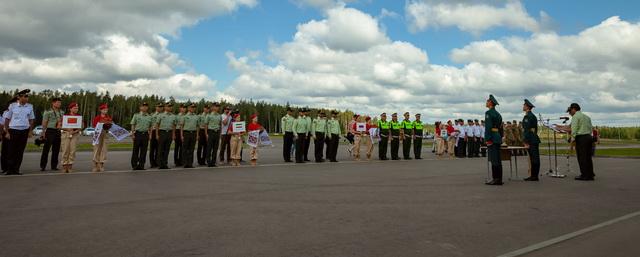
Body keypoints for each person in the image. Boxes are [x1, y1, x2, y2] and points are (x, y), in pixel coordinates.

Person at [3, 89, 35, 175]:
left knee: (20, 151)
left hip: (24, 131)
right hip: (13, 130)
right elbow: (7, 119)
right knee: (11, 151)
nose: (27, 98)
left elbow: (31, 120)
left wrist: (30, 131)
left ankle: (16, 169)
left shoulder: (30, 106)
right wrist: (7, 132)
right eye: (25, 96)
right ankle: (10, 169)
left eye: (27, 96)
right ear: (19, 97)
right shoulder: (12, 106)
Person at [562, 103, 595, 181]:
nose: (570, 113)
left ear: (574, 109)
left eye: (570, 111)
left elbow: (574, 130)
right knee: (588, 157)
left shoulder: (575, 117)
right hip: (588, 137)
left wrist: (572, 139)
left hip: (581, 138)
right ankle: (590, 174)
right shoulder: (587, 117)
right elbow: (591, 128)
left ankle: (584, 175)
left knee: (582, 157)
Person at [484, 95, 504, 186]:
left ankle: (496, 179)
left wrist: (488, 139)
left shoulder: (488, 113)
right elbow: (500, 128)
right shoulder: (498, 114)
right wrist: (500, 136)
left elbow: (488, 127)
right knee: (498, 159)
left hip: (492, 137)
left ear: (491, 103)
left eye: (487, 101)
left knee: (494, 159)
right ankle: (499, 178)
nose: (486, 102)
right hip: (497, 137)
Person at [40, 97, 63, 171]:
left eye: (60, 103)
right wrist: (43, 132)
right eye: (57, 102)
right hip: (50, 131)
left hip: (58, 131)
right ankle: (43, 166)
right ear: (53, 103)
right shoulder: (48, 112)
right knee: (46, 149)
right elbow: (44, 122)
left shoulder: (61, 112)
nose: (59, 104)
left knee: (56, 150)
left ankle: (54, 166)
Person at [59, 102, 82, 173]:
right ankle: (64, 165)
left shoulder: (79, 116)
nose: (76, 109)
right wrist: (67, 129)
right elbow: (59, 126)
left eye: (77, 108)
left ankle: (70, 165)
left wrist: (76, 131)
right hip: (66, 134)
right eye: (75, 108)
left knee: (72, 150)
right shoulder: (65, 116)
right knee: (65, 150)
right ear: (70, 109)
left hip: (75, 134)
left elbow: (82, 126)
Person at [522, 99, 541, 181]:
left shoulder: (527, 116)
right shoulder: (533, 116)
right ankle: (534, 175)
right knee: (535, 157)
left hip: (530, 139)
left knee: (534, 158)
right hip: (534, 138)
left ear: (526, 107)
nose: (523, 106)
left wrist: (526, 141)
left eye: (524, 105)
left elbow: (526, 130)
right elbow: (535, 129)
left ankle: (534, 176)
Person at [130, 102, 153, 170]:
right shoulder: (136, 115)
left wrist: (150, 135)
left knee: (144, 151)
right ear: (140, 107)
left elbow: (151, 126)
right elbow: (133, 124)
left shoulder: (149, 117)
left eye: (146, 106)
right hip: (138, 134)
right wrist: (133, 134)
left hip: (145, 134)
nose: (145, 107)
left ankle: (141, 165)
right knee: (135, 150)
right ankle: (134, 165)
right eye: (143, 106)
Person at [92, 103, 113, 172]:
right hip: (98, 134)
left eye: (106, 109)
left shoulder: (109, 118)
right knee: (97, 149)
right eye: (103, 109)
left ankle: (101, 164)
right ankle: (95, 164)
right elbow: (94, 126)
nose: (105, 111)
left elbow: (111, 125)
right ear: (100, 110)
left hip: (105, 134)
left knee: (104, 149)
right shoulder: (97, 118)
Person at [156, 103, 176, 170]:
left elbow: (174, 126)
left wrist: (173, 134)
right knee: (161, 149)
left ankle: (165, 164)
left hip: (169, 133)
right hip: (162, 132)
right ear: (165, 107)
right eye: (168, 106)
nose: (170, 108)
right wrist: (157, 134)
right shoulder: (160, 115)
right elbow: (157, 125)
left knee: (167, 149)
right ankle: (160, 164)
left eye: (171, 106)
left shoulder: (173, 116)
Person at [1, 97, 17, 174]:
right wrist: (5, 132)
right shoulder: (6, 112)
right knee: (6, 151)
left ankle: (12, 167)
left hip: (15, 132)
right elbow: (3, 123)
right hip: (7, 132)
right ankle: (5, 167)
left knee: (13, 151)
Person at [181, 103, 199, 169]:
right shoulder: (185, 116)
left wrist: (197, 135)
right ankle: (185, 163)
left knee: (191, 149)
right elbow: (182, 127)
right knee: (185, 149)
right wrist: (181, 135)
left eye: (194, 107)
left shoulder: (196, 116)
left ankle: (190, 163)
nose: (193, 108)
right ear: (188, 108)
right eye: (191, 107)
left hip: (193, 133)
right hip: (186, 133)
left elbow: (197, 127)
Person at [205, 102, 222, 167]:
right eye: (216, 106)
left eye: (218, 106)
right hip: (211, 132)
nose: (217, 107)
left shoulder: (219, 116)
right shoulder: (209, 115)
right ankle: (209, 161)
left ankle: (213, 162)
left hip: (217, 132)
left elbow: (220, 125)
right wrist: (206, 134)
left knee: (215, 148)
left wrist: (220, 133)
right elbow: (206, 125)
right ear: (213, 107)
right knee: (209, 147)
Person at [149, 103, 163, 168]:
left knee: (159, 148)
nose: (160, 108)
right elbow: (150, 125)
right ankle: (152, 163)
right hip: (154, 132)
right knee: (152, 148)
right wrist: (150, 134)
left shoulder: (163, 115)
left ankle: (158, 162)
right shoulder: (152, 115)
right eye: (159, 107)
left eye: (161, 107)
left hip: (161, 132)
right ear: (156, 107)